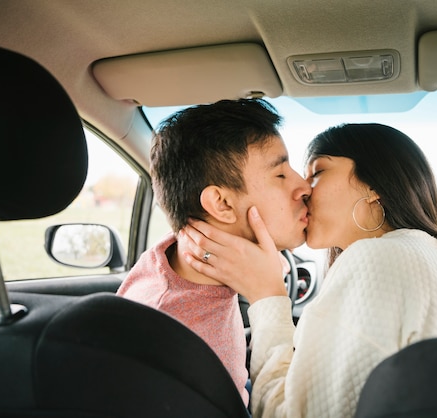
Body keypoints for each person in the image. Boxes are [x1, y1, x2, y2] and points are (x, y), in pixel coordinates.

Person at [179, 123, 437, 417]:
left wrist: (267, 295)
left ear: (374, 185)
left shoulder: (377, 261)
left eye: (317, 171)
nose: (302, 189)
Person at [116, 98, 311, 407]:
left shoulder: (173, 253)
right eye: (280, 175)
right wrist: (268, 292)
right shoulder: (179, 342)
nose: (304, 187)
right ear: (221, 204)